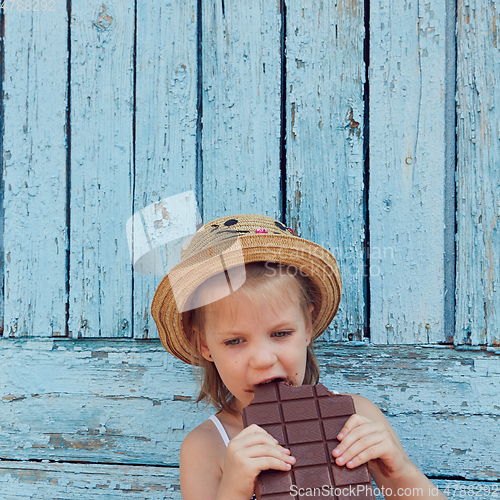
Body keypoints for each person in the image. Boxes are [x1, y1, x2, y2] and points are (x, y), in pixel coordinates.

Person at [151, 214, 446, 500]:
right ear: (205, 346)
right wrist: (235, 488)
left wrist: (399, 473)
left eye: (280, 334)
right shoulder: (206, 446)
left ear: (307, 327)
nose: (263, 359)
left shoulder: (357, 416)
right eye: (234, 340)